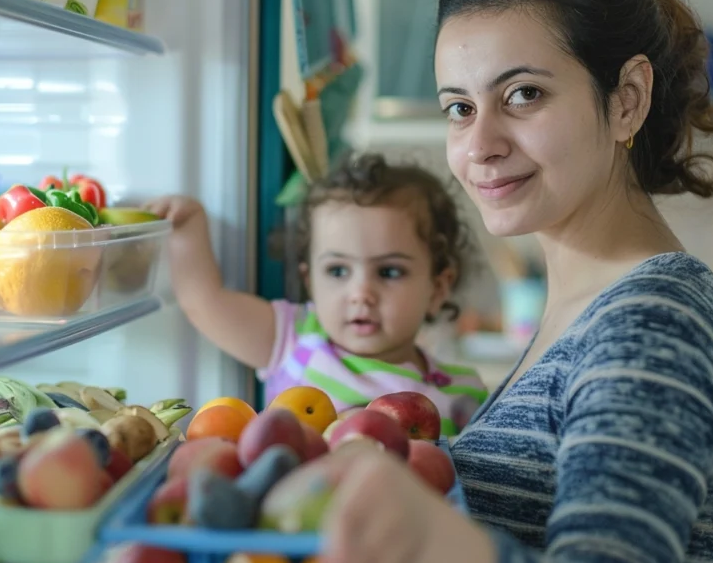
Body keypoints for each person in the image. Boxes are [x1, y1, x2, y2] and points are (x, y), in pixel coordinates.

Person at [314, 0, 713, 563]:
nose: (479, 145)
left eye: (523, 94)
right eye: (459, 108)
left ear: (626, 99)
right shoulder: (588, 309)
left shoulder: (656, 321)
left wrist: (415, 523)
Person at [145, 154, 489, 435]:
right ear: (310, 281)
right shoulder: (294, 339)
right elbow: (205, 303)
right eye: (337, 271)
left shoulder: (461, 392)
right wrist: (189, 228)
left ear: (438, 288)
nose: (361, 293)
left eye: (389, 272)